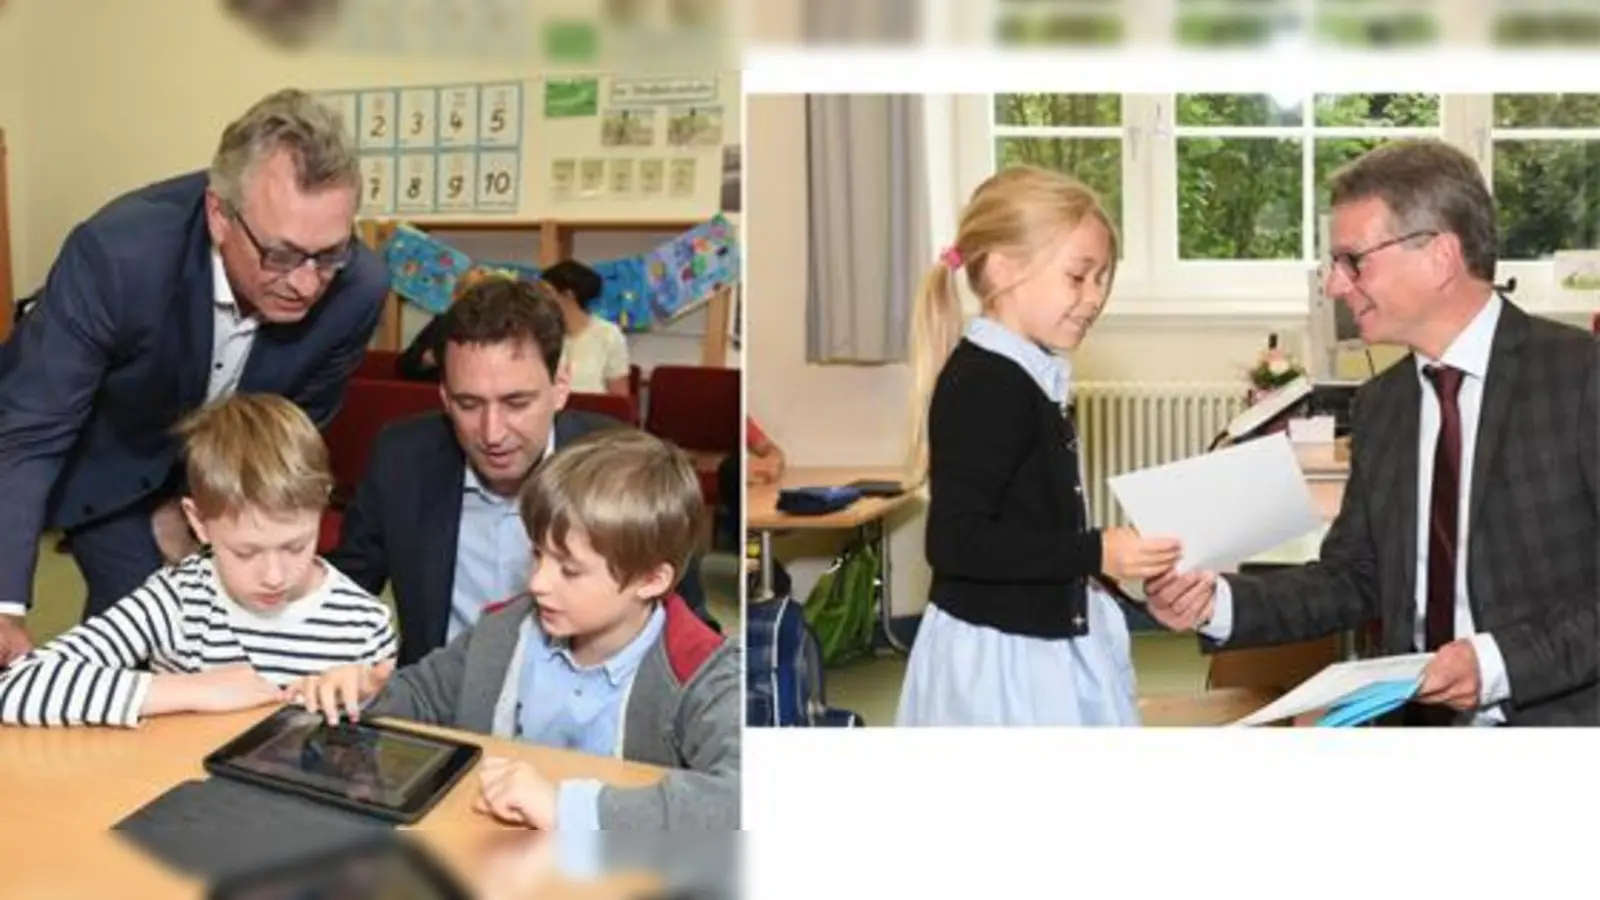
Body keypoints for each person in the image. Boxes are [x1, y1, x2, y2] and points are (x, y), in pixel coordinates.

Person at [1145, 138, 1599, 726]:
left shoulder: (1581, 379)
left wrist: (1496, 663)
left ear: (1439, 256)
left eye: (1352, 260)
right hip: (1409, 720)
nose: (1336, 285)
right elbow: (1353, 578)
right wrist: (1218, 602)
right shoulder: (1384, 405)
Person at [0, 88, 389, 666]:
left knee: (237, 629)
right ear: (219, 216)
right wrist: (4, 603)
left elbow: (290, 426)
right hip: (105, 453)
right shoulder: (121, 256)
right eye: (280, 255)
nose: (307, 284)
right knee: (135, 620)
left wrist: (202, 504)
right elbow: (33, 429)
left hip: (214, 463)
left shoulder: (359, 289)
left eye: (329, 254)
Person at [296, 429, 741, 829]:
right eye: (536, 555)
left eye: (569, 570)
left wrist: (567, 809)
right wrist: (367, 693)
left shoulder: (704, 673)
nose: (537, 583)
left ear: (651, 580)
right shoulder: (506, 630)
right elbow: (423, 697)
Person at [894, 166, 1182, 727]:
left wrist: (1102, 570)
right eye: (1079, 277)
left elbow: (1029, 523)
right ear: (1004, 269)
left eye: (1104, 279)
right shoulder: (988, 384)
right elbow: (957, 542)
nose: (1095, 298)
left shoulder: (1026, 375)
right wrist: (1094, 551)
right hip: (1003, 663)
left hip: (1035, 637)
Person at [0, 394, 397, 727]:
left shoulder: (363, 624)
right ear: (198, 522)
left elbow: (386, 759)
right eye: (246, 552)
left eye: (295, 546)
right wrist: (192, 690)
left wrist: (371, 697)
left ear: (322, 506)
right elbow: (16, 686)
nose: (274, 576)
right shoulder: (177, 599)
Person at [326, 275, 621, 667]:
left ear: (561, 385)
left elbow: (685, 633)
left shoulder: (619, 466)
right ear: (445, 396)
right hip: (437, 710)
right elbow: (346, 596)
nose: (492, 433)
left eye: (516, 402)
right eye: (468, 404)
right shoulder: (402, 459)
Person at [542, 260, 631, 397]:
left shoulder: (609, 334)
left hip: (595, 415)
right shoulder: (542, 334)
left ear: (568, 295)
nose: (541, 299)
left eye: (547, 292)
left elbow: (619, 397)